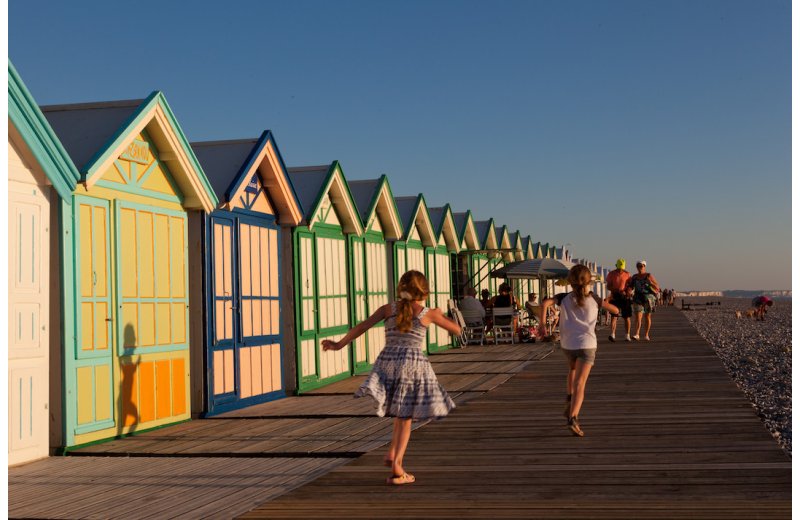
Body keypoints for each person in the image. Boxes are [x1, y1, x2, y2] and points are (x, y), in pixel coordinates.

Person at [322, 270, 461, 485]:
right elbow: (457, 330)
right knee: (405, 417)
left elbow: (362, 326)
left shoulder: (388, 309)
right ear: (424, 292)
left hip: (388, 363)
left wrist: (338, 345)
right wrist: (441, 314)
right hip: (412, 366)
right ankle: (397, 464)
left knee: (399, 412)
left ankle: (391, 453)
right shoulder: (427, 313)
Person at [538, 264, 619, 437]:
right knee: (580, 383)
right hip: (587, 344)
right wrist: (607, 304)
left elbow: (545, 303)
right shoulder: (595, 299)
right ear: (589, 281)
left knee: (572, 370)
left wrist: (542, 325)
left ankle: (569, 398)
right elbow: (615, 310)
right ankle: (573, 417)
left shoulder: (563, 297)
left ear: (570, 281)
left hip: (568, 345)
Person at [626, 260, 660, 341]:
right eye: (638, 266)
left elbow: (657, 286)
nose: (640, 267)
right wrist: (629, 291)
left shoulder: (649, 275)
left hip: (648, 298)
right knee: (638, 316)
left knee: (647, 316)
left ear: (645, 267)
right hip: (637, 297)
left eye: (641, 266)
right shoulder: (634, 277)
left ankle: (646, 334)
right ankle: (637, 334)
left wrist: (650, 282)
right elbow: (630, 286)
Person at [605, 258, 632, 342]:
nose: (621, 270)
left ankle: (627, 335)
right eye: (619, 268)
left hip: (624, 297)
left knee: (626, 317)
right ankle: (612, 334)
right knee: (614, 316)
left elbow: (630, 286)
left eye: (622, 268)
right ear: (616, 266)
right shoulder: (611, 274)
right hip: (615, 296)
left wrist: (627, 292)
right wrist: (615, 289)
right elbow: (608, 286)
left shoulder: (627, 274)